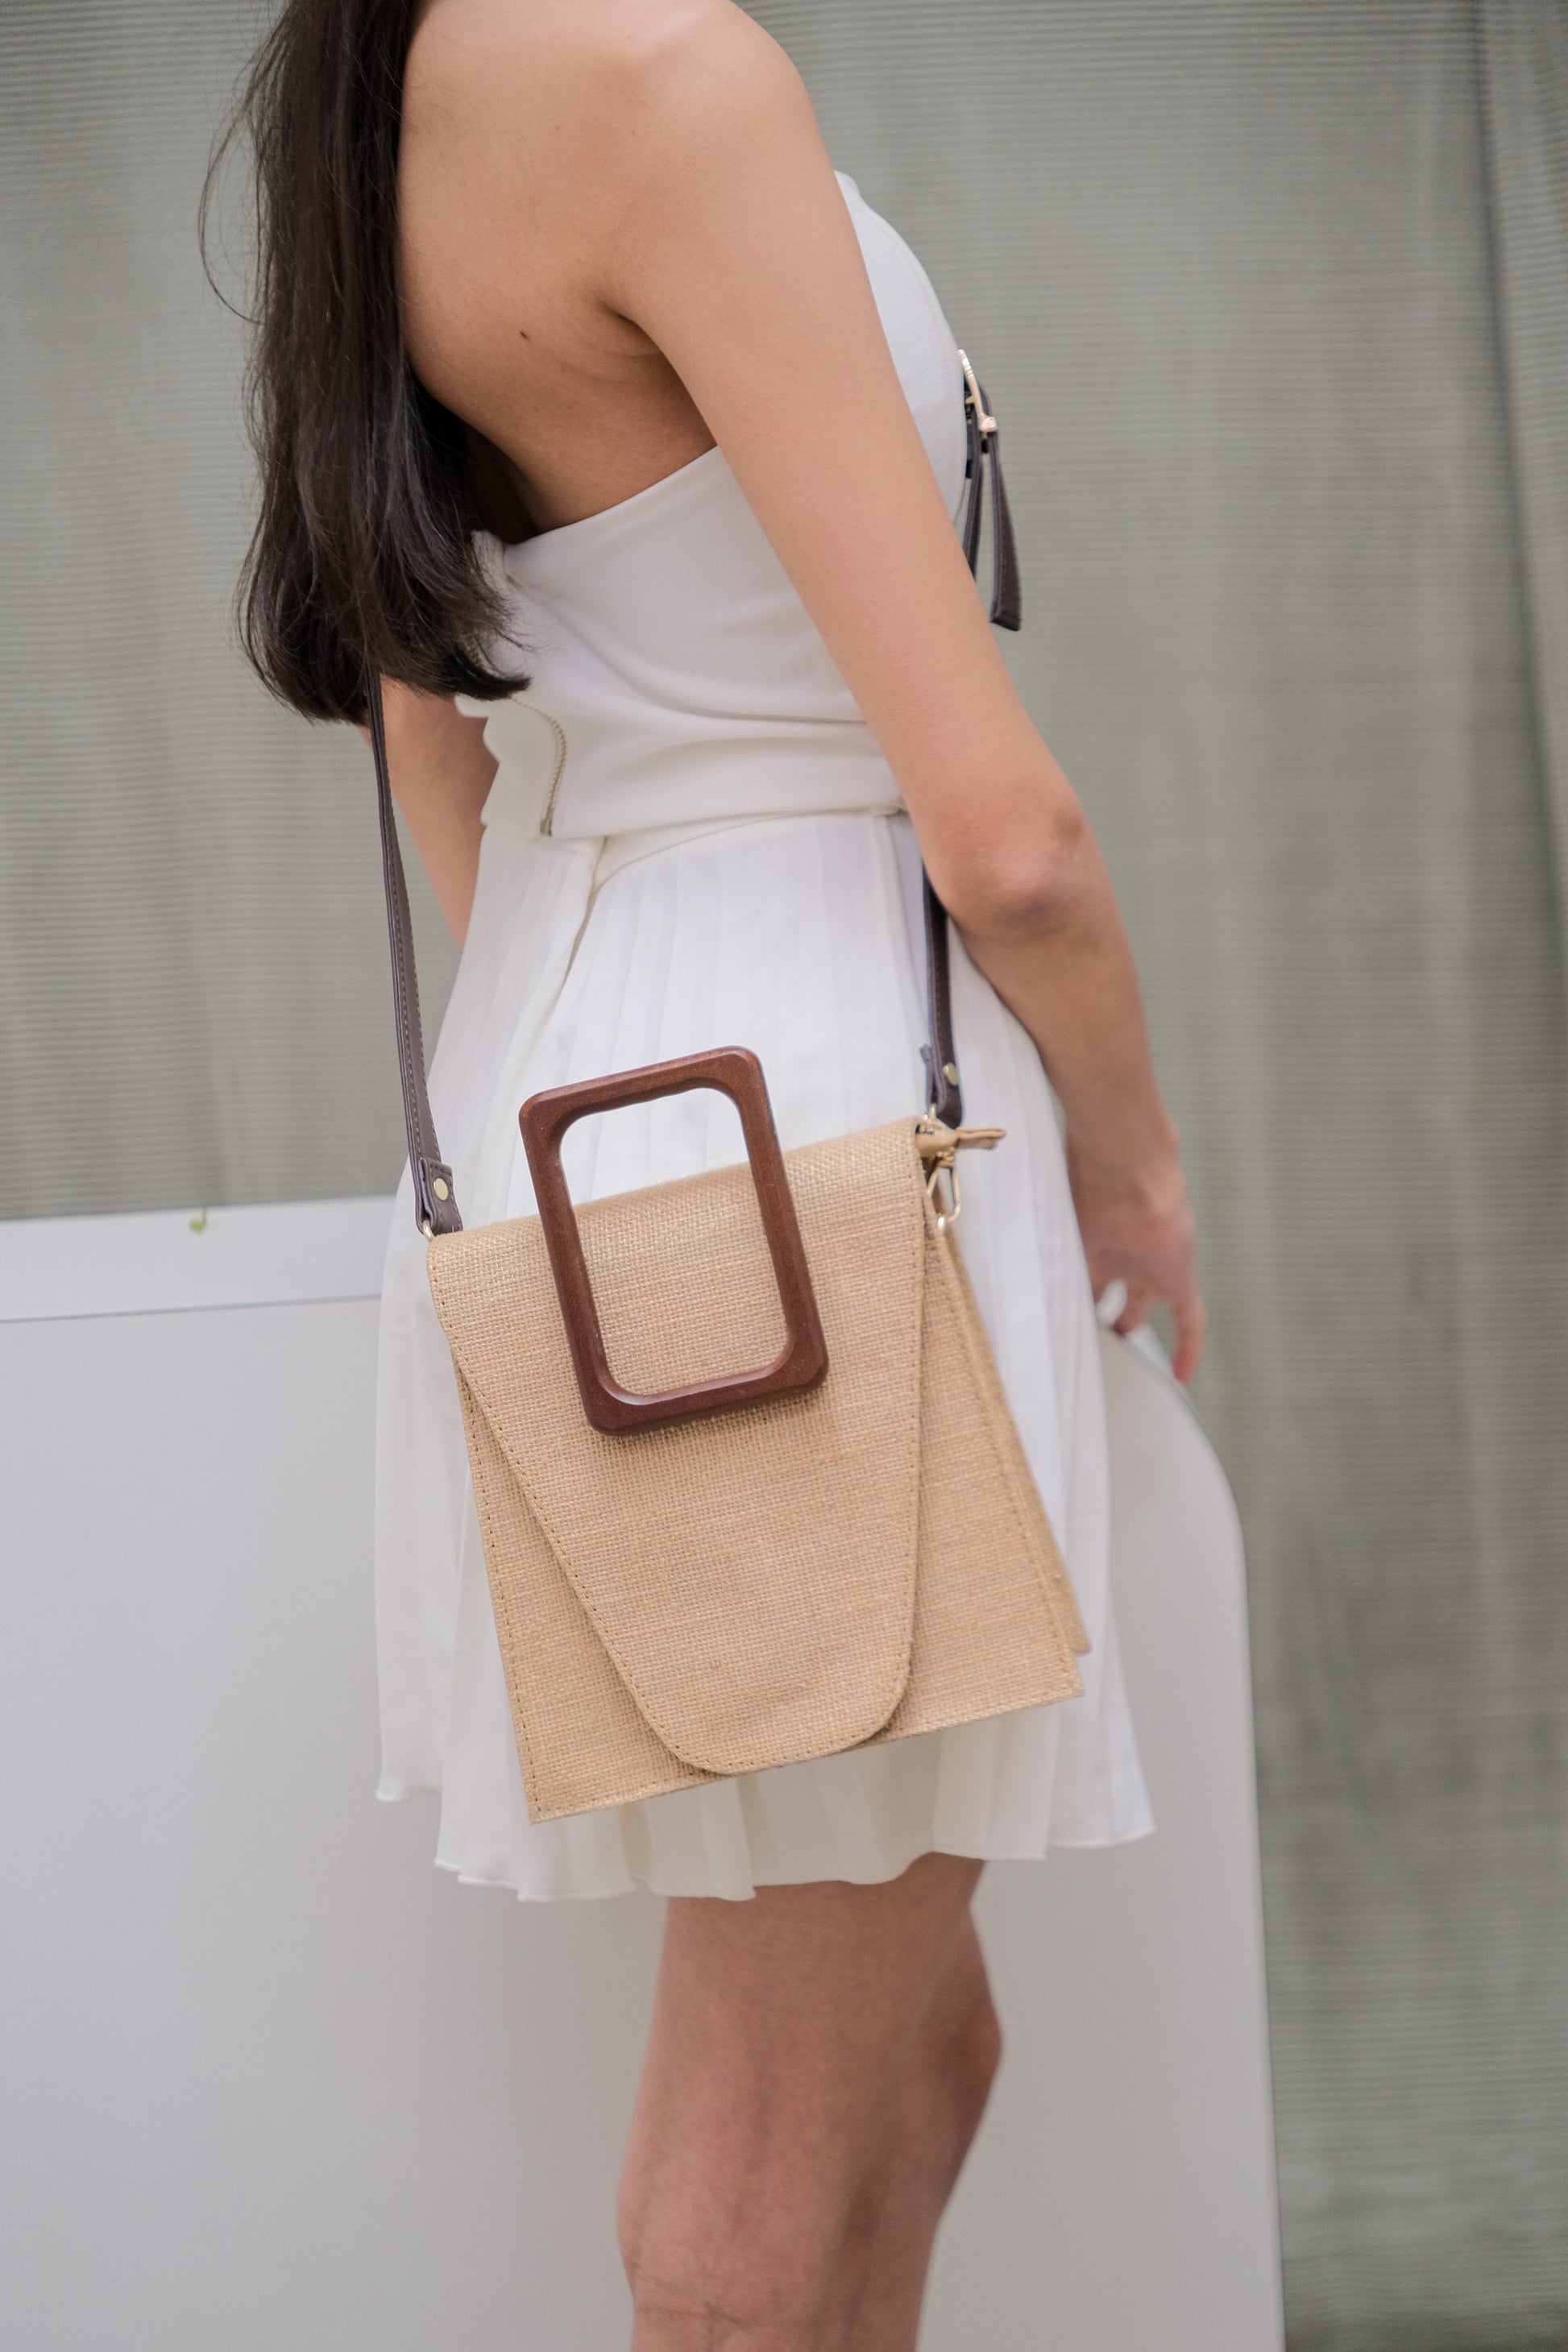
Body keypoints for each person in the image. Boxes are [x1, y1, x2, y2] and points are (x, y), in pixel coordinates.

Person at [224, 0, 1205, 2341]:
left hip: (600, 1085)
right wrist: (1139, 1164)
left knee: (923, 2056)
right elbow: (1005, 834)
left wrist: (601, 1011)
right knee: (745, 2205)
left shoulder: (371, 111)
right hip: (823, 1114)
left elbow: (435, 745)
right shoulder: (666, 82)